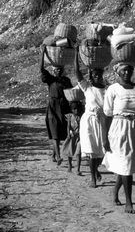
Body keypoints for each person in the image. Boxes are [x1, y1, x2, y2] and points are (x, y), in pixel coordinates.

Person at [102, 62, 135, 214]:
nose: (126, 73)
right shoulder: (113, 89)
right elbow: (107, 115)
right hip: (118, 128)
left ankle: (115, 191)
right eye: (123, 70)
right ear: (117, 72)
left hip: (134, 128)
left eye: (129, 69)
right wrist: (105, 137)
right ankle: (129, 202)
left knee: (127, 164)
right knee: (125, 164)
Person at [74, 47, 106, 188]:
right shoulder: (87, 87)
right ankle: (93, 178)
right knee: (91, 150)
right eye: (95, 75)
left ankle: (96, 169)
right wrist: (76, 53)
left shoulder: (107, 89)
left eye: (99, 75)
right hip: (88, 121)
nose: (97, 77)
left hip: (102, 121)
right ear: (91, 76)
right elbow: (77, 73)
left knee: (101, 153)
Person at [40, 45, 73, 165]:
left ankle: (54, 154)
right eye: (56, 70)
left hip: (63, 107)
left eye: (60, 69)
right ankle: (58, 156)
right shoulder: (50, 79)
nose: (58, 71)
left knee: (60, 132)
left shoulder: (66, 81)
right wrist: (42, 55)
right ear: (53, 70)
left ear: (62, 70)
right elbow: (42, 70)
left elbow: (71, 93)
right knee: (54, 132)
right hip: (52, 107)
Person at [62, 101, 85, 174]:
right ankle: (69, 165)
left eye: (77, 109)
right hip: (72, 136)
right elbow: (68, 126)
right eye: (74, 109)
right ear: (71, 110)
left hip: (79, 137)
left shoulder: (81, 117)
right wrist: (68, 134)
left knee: (78, 152)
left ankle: (78, 169)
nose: (76, 110)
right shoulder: (70, 117)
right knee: (70, 151)